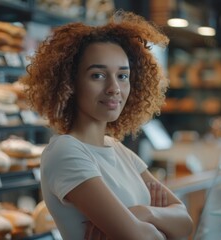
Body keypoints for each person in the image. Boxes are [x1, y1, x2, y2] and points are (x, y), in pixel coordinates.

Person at [20, 10, 193, 240]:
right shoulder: (65, 151)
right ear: (70, 83)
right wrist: (160, 224)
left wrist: (144, 213)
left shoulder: (119, 150)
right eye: (98, 75)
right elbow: (140, 237)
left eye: (122, 76)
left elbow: (186, 224)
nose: (114, 88)